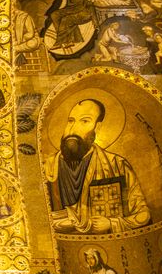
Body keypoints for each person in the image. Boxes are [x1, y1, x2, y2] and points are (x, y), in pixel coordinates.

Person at [46, 97, 151, 233]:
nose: (73, 129)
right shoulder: (48, 167)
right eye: (71, 121)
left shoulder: (117, 165)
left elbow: (144, 215)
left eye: (84, 121)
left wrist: (112, 223)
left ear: (98, 127)